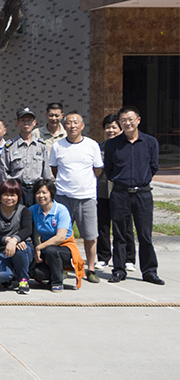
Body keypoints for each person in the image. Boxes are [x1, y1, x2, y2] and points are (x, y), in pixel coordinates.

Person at [104, 106, 164, 285]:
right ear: (119, 122)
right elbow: (109, 169)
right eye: (123, 120)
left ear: (138, 120)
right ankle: (119, 270)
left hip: (143, 194)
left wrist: (141, 180)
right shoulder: (112, 144)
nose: (127, 123)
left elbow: (154, 166)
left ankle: (149, 271)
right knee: (120, 234)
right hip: (120, 193)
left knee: (145, 235)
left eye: (130, 119)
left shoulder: (150, 142)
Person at [49, 111, 102, 283]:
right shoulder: (57, 146)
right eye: (69, 123)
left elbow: (97, 169)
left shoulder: (92, 145)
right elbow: (55, 169)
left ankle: (91, 268)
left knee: (90, 235)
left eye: (76, 122)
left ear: (82, 126)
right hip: (63, 197)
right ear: (64, 126)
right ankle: (63, 266)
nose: (72, 126)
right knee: (62, 235)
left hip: (87, 197)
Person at [30, 179, 84, 292]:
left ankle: (57, 282)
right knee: (35, 272)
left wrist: (39, 247)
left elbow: (60, 237)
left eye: (44, 192)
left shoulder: (61, 210)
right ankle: (53, 275)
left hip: (65, 248)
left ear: (51, 193)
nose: (41, 196)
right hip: (46, 249)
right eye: (38, 193)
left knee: (52, 250)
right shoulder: (34, 210)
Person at [97, 114, 133, 270]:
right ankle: (103, 257)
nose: (110, 130)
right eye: (107, 127)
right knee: (103, 226)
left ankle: (129, 258)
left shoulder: (127, 146)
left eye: (114, 127)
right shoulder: (99, 147)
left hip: (122, 191)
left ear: (121, 128)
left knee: (125, 226)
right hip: (102, 191)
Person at [0, 179, 34, 294]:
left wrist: (15, 240)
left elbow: (27, 230)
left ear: (18, 196)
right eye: (5, 195)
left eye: (13, 195)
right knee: (1, 276)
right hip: (1, 251)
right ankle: (8, 278)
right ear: (0, 195)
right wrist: (9, 240)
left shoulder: (24, 210)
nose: (9, 198)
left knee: (20, 248)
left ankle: (23, 279)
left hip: (23, 248)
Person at [0, 107, 51, 208]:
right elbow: (3, 171)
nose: (26, 123)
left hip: (37, 189)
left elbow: (46, 172)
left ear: (34, 122)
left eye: (29, 120)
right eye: (23, 120)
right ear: (17, 123)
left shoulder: (41, 145)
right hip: (17, 189)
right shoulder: (10, 146)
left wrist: (47, 190)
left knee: (36, 216)